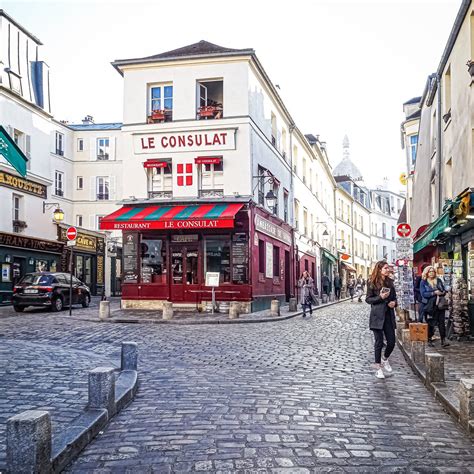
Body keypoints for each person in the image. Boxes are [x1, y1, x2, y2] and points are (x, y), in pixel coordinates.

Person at [366, 261, 397, 379]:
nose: (388, 270)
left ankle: (385, 359)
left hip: (388, 315)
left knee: (391, 342)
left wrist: (394, 303)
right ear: (379, 269)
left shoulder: (390, 282)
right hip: (377, 316)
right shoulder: (372, 282)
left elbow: (394, 298)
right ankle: (378, 368)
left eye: (388, 268)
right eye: (385, 268)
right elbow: (368, 299)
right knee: (378, 342)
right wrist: (380, 297)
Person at [420, 266, 449, 347]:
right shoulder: (424, 282)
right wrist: (433, 293)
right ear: (426, 273)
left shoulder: (439, 280)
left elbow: (444, 290)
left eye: (433, 271)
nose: (432, 273)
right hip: (429, 305)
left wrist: (442, 292)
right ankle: (429, 339)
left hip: (440, 305)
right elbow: (423, 294)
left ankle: (443, 340)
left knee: (441, 322)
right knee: (430, 323)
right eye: (430, 271)